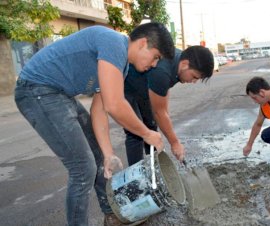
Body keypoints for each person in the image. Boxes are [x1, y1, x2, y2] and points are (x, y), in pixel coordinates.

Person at [14, 22, 174, 226]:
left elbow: (99, 111)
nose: (153, 65)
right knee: (83, 168)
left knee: (98, 159)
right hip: (36, 90)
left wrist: (108, 154)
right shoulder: (114, 43)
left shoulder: (121, 66)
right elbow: (115, 105)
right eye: (156, 57)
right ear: (143, 43)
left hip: (58, 94)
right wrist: (147, 133)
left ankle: (112, 215)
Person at [123, 46, 214, 166]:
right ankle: (135, 177)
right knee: (136, 132)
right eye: (194, 77)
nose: (193, 81)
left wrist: (164, 119)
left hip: (146, 88)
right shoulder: (163, 70)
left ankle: (155, 169)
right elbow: (159, 113)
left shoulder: (180, 64)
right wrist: (175, 143)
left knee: (152, 127)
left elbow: (162, 104)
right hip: (125, 86)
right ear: (185, 64)